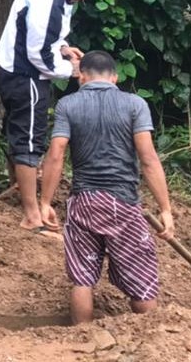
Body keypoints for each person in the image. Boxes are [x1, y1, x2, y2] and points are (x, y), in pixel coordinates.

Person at [38, 50, 176, 324]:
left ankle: (82, 336)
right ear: (115, 78)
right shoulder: (135, 104)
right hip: (123, 204)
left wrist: (45, 202)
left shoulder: (68, 105)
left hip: (84, 203)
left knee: (82, 279)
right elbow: (148, 159)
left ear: (81, 76)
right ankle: (153, 338)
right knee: (141, 276)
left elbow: (56, 153)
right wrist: (165, 208)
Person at [0, 0, 101, 232]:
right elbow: (39, 53)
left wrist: (64, 48)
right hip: (26, 75)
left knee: (18, 131)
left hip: (11, 68)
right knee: (30, 139)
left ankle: (19, 185)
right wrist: (72, 69)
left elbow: (49, 37)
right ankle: (32, 214)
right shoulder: (49, 3)